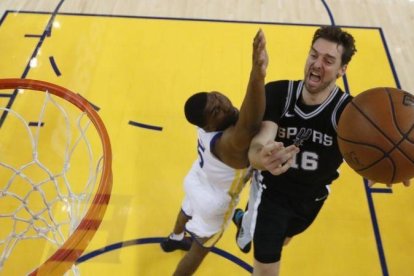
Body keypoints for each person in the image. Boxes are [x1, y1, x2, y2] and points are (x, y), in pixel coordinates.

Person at [160, 29, 299, 276]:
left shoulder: (206, 129)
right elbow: (250, 120)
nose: (224, 105)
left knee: (186, 208)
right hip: (214, 201)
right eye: (216, 111)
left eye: (218, 98)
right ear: (209, 125)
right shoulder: (229, 143)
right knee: (199, 250)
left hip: (197, 179)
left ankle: (175, 236)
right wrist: (258, 73)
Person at [232, 26, 358, 276]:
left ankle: (245, 219)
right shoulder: (279, 94)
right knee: (267, 264)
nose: (317, 64)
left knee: (286, 237)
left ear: (342, 70)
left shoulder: (349, 114)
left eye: (328, 60)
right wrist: (263, 157)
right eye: (313, 55)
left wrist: (389, 168)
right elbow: (258, 147)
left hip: (312, 198)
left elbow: (376, 150)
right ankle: (249, 222)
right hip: (272, 195)